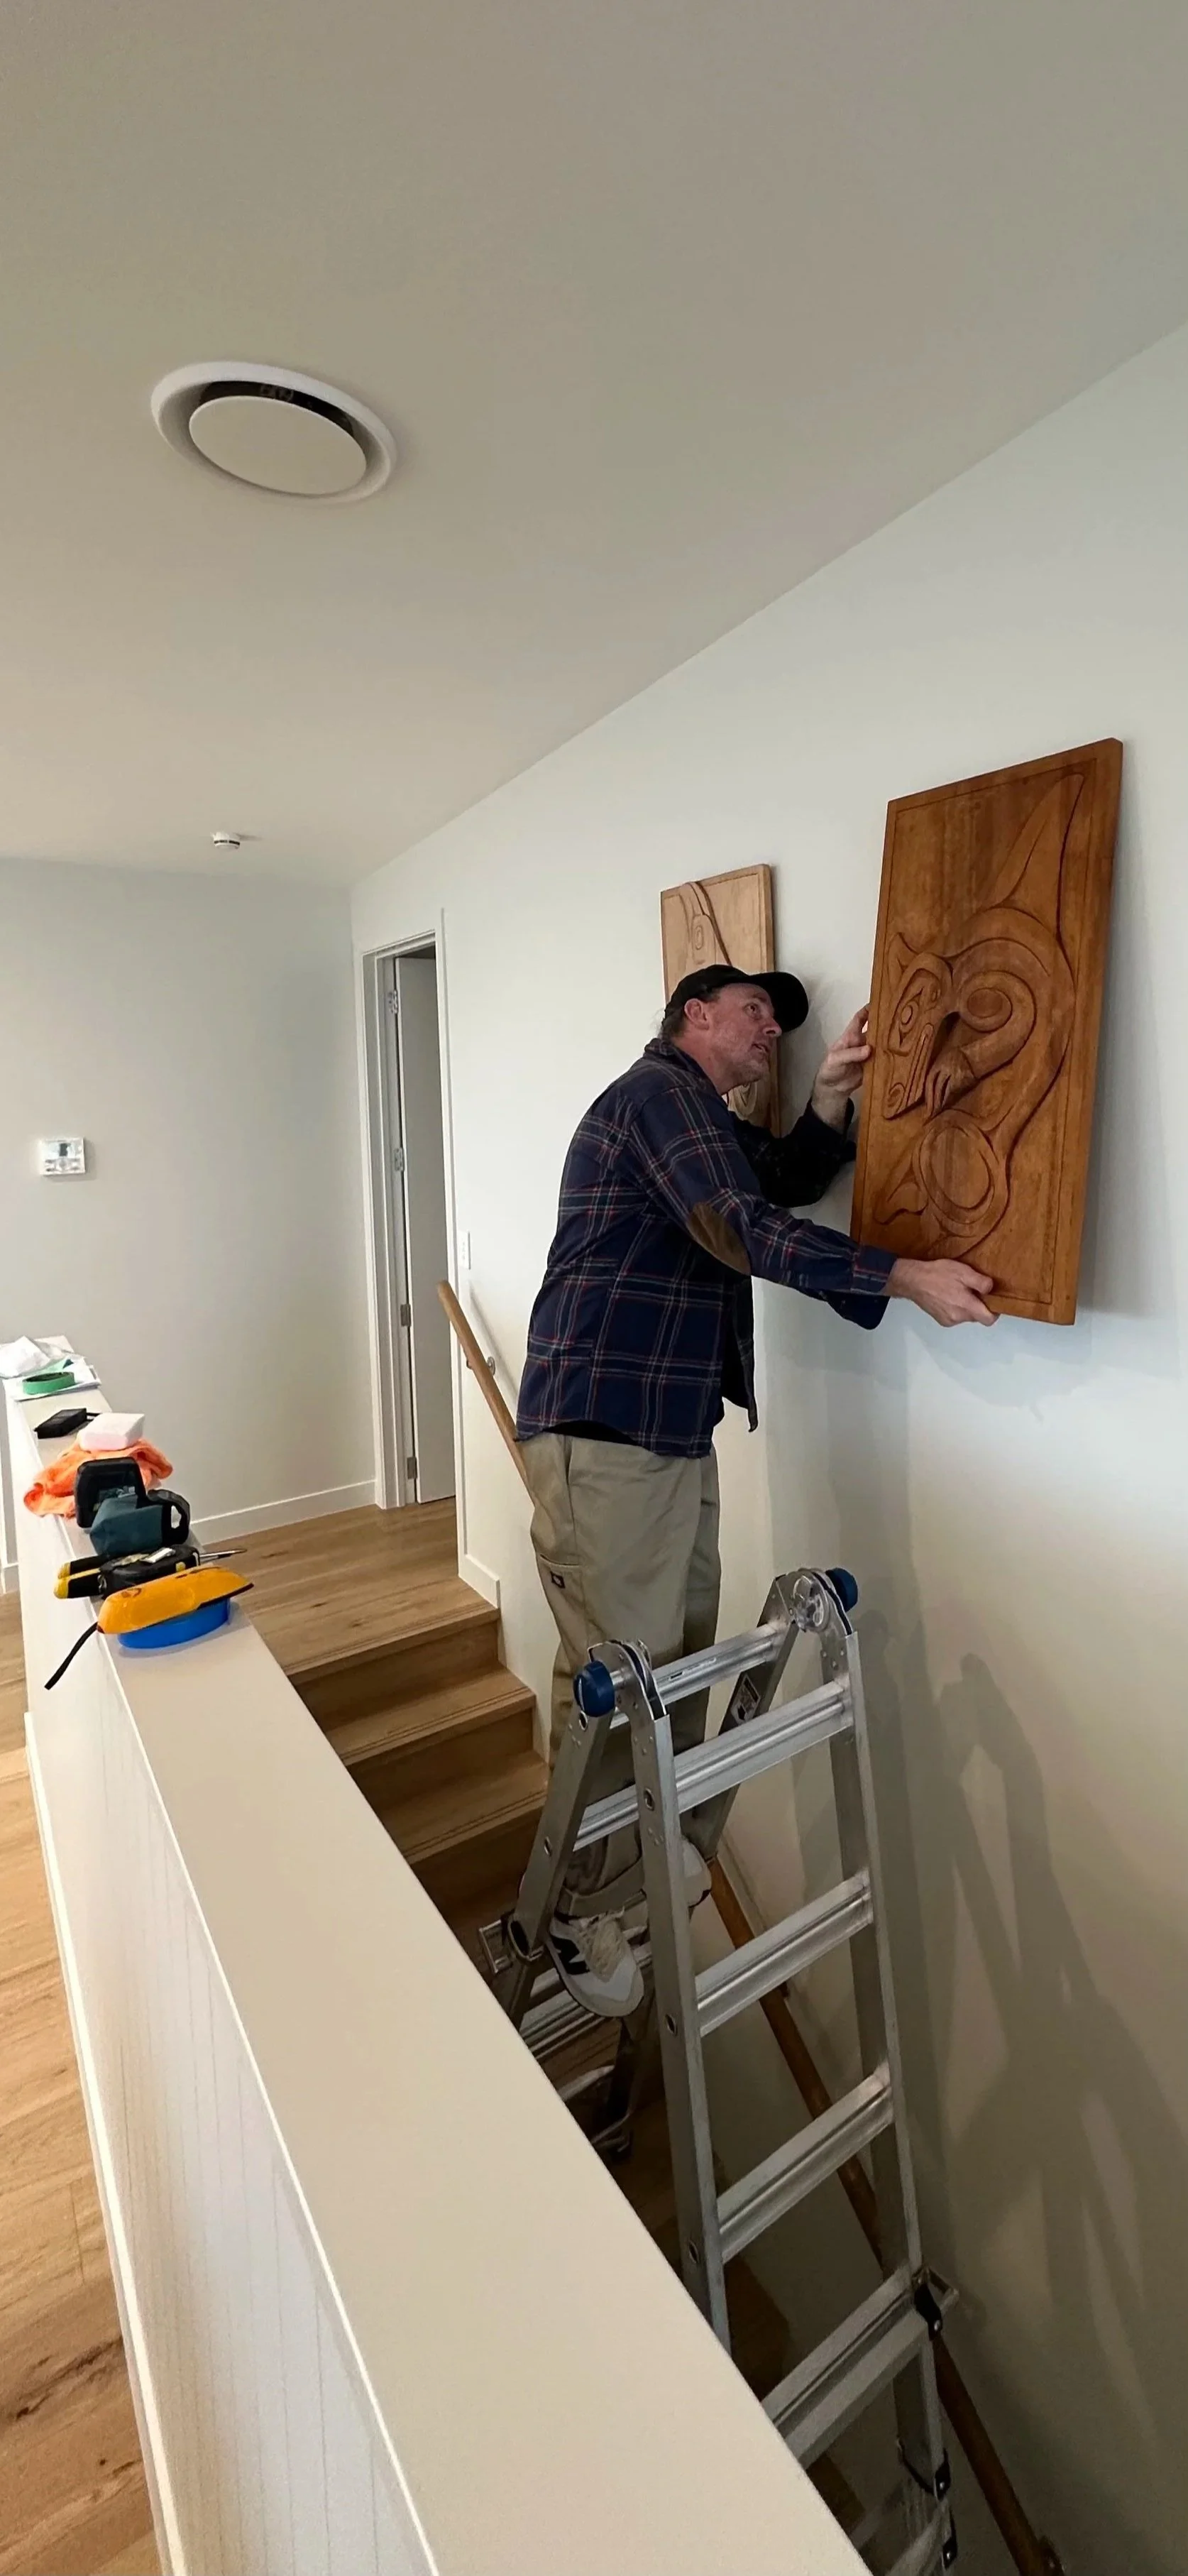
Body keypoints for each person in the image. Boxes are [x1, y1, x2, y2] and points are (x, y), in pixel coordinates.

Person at [516, 963, 995, 2015]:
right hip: (604, 1425)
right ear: (694, 1015)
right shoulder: (657, 1095)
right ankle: (582, 1906)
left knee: (674, 1661)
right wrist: (898, 1274)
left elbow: (768, 1181)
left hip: (663, 1426)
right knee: (623, 1674)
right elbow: (740, 1221)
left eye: (777, 1022)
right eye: (752, 1013)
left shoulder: (699, 1116)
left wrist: (827, 1099)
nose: (768, 1031)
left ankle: (638, 1868)